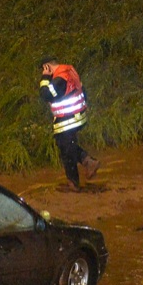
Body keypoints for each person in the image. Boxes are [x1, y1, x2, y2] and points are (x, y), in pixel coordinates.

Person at [38, 57, 100, 192]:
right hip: (76, 116)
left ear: (47, 66)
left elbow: (45, 95)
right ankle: (88, 162)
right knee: (67, 146)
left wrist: (44, 77)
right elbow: (83, 90)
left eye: (43, 69)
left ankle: (73, 184)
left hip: (67, 119)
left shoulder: (59, 79)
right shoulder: (70, 71)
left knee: (67, 151)